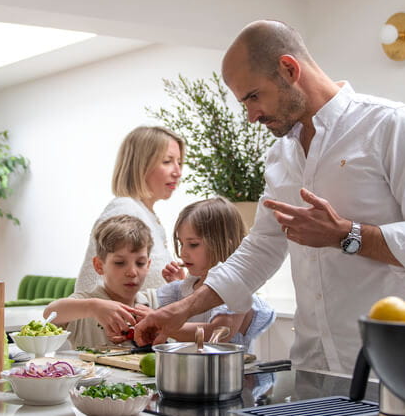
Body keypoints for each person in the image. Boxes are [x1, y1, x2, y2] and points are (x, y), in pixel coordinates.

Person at [133, 20, 405, 373]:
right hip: (313, 367)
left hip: (396, 368)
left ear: (289, 69)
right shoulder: (281, 157)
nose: (251, 115)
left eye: (253, 96)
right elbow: (261, 249)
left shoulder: (392, 125)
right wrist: (182, 308)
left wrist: (345, 235)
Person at [133, 197, 275, 347]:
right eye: (181, 244)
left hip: (233, 370)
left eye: (193, 244)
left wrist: (163, 325)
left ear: (225, 243)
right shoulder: (183, 288)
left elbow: (217, 334)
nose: (183, 253)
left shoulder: (235, 292)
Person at [74, 126, 186, 294]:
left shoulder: (148, 216)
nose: (178, 172)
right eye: (167, 161)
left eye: (179, 162)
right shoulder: (125, 210)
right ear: (141, 165)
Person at [50, 215, 158, 350]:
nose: (132, 272)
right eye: (120, 263)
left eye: (140, 263)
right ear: (99, 265)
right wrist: (92, 307)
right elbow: (50, 314)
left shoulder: (153, 302)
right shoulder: (86, 302)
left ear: (148, 265)